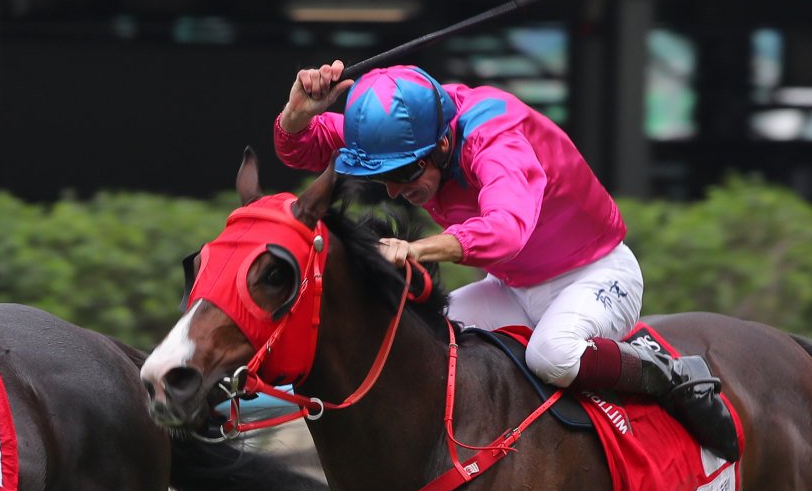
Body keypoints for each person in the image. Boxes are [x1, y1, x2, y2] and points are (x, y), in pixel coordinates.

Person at [274, 59, 738, 461]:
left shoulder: (497, 138)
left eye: (402, 174)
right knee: (419, 343)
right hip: (513, 288)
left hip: (595, 274)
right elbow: (309, 145)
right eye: (383, 180)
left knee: (552, 356)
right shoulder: (409, 128)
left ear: (440, 146)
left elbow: (507, 230)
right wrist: (295, 118)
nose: (396, 191)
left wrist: (416, 249)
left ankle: (669, 371)